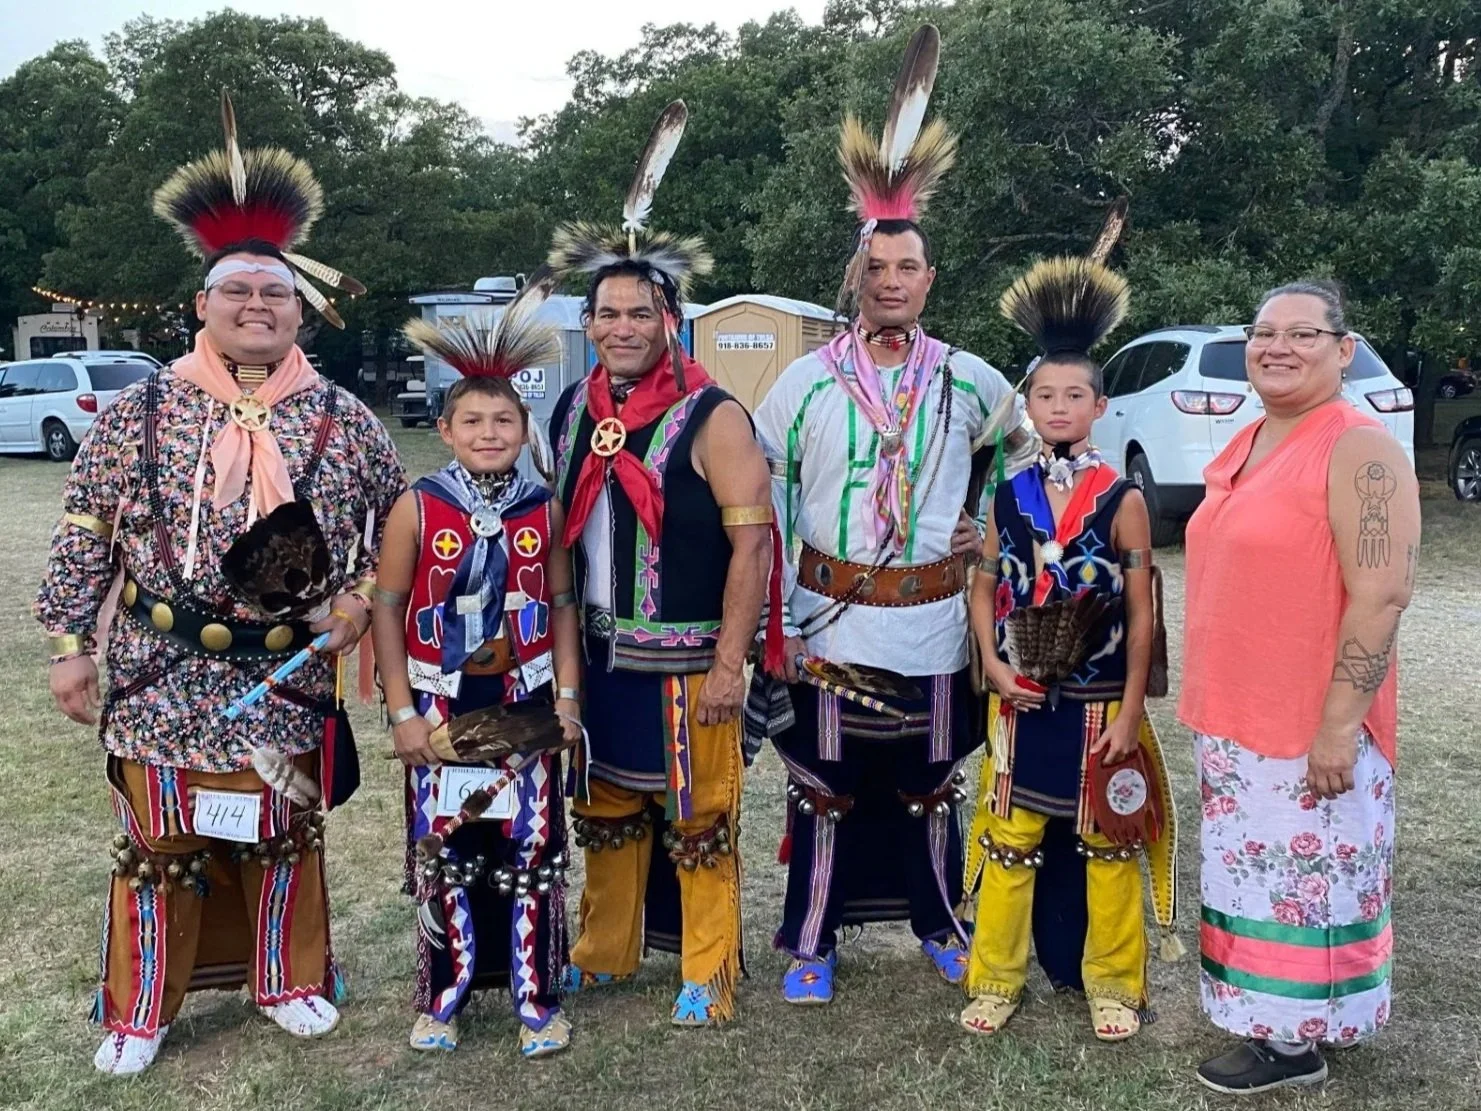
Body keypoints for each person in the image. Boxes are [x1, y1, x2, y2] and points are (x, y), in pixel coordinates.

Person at [34, 93, 405, 1076]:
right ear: (202, 304)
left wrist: (363, 595)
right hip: (158, 667)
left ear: (298, 308)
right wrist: (72, 648)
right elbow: (88, 532)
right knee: (159, 844)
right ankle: (143, 1000)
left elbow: (397, 527)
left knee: (280, 833)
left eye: (273, 294)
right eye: (236, 291)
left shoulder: (343, 419)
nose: (255, 306)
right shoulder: (140, 410)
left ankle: (285, 980)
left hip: (284, 676)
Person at [753, 25, 1017, 1005]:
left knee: (930, 786)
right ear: (857, 277)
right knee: (820, 788)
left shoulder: (973, 381)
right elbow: (764, 502)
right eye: (877, 270)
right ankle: (810, 941)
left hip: (937, 622)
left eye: (908, 269)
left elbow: (1017, 478)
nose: (892, 282)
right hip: (829, 621)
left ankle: (940, 924)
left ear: (928, 279)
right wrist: (771, 625)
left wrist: (988, 532)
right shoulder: (802, 386)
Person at [545, 101, 773, 1027]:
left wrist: (730, 662)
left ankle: (709, 967)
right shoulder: (569, 412)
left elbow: (752, 542)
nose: (624, 324)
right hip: (599, 658)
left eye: (642, 310)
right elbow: (558, 539)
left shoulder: (715, 415)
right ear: (589, 321)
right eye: (609, 312)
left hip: (688, 664)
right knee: (604, 811)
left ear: (670, 318)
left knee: (700, 817)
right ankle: (603, 951)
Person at [1181, 279, 1418, 1094]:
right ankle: (1271, 1016)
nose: (1276, 346)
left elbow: (1382, 592)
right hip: (1239, 714)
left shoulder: (1358, 446)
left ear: (1342, 350)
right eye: (1261, 332)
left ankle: (1294, 1040)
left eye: (1301, 334)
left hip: (1307, 719)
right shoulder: (1249, 439)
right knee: (1255, 875)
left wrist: (1338, 725)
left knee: (1303, 879)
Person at [957, 257, 1178, 1041]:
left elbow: (1143, 615)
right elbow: (983, 582)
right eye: (1043, 395)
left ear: (1098, 405)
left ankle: (1113, 983)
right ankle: (994, 976)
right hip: (1018, 699)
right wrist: (989, 663)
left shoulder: (1121, 501)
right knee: (1008, 840)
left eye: (1073, 395)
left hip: (1094, 710)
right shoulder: (1007, 493)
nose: (1057, 406)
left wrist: (1127, 714)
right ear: (1027, 402)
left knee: (1107, 842)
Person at [371, 276, 583, 1058]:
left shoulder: (542, 509)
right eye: (472, 420)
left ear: (524, 426)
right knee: (447, 849)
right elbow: (388, 608)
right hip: (441, 701)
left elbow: (560, 604)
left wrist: (566, 699)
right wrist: (401, 711)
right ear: (445, 427)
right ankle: (444, 994)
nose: (489, 432)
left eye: (503, 419)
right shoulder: (417, 506)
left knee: (530, 850)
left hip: (522, 693)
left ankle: (535, 994)